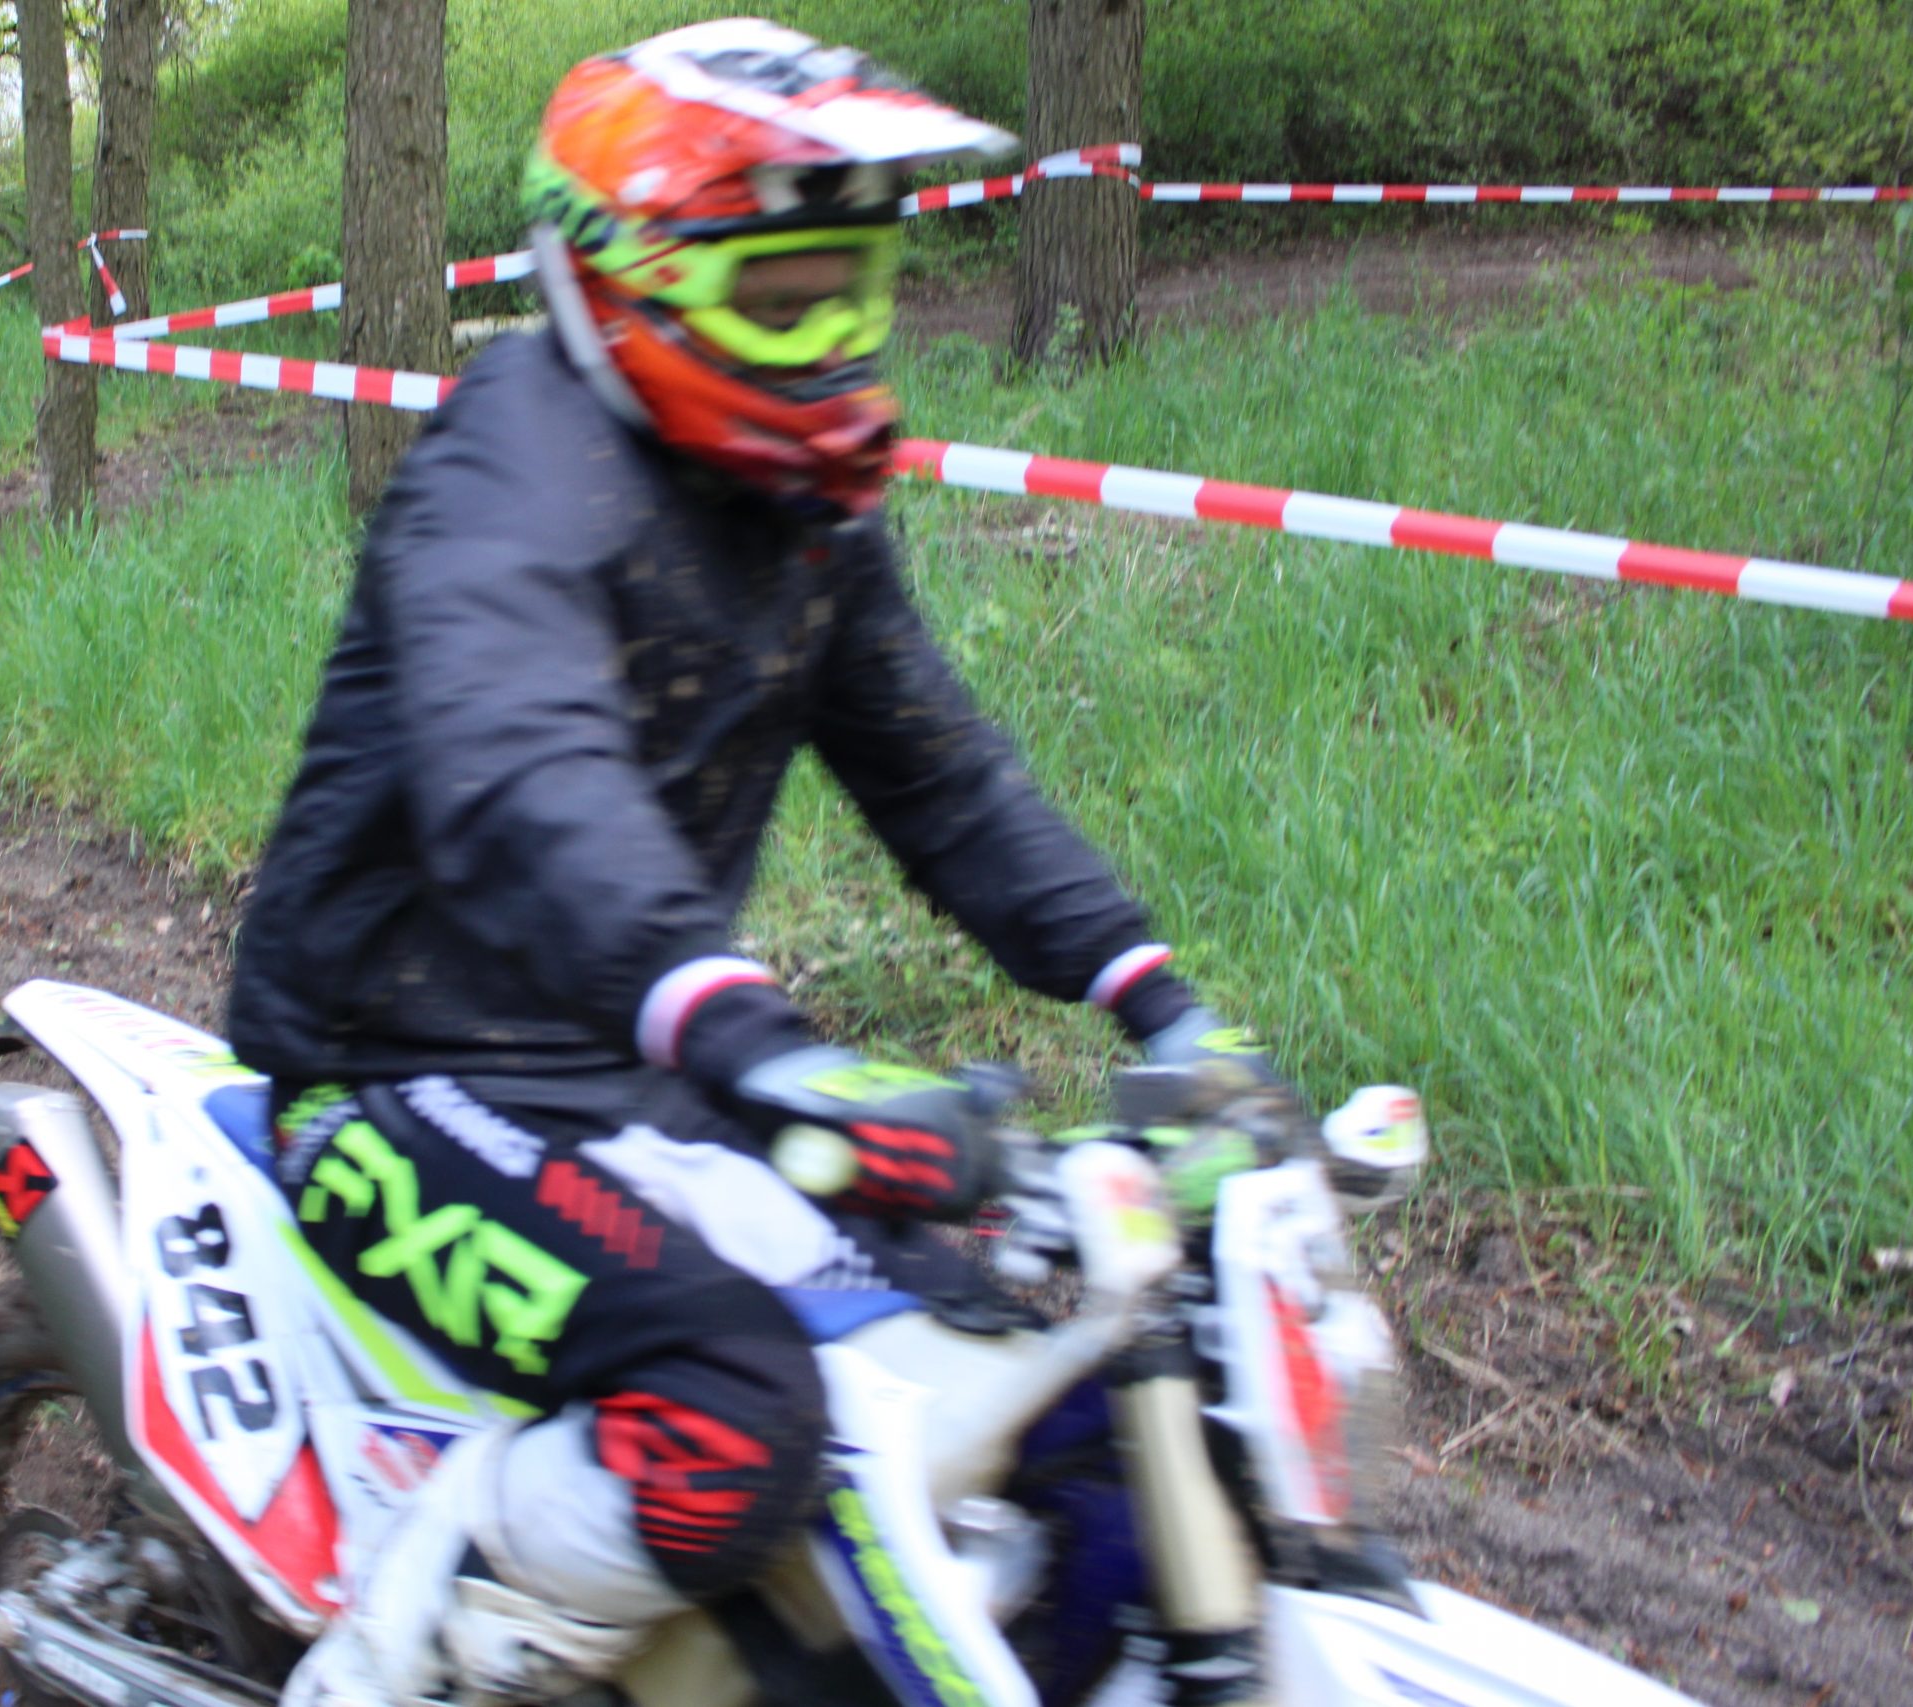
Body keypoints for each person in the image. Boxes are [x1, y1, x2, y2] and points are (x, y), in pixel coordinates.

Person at [232, 20, 1283, 1705]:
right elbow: (530, 780)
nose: (836, 342)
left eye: (857, 293)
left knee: (1023, 1365)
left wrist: (1162, 1006)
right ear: (623, 282)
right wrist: (762, 1046)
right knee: (736, 1422)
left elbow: (944, 777)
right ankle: (403, 1644)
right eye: (786, 300)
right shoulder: (501, 482)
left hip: (641, 1066)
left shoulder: (801, 509)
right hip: (395, 1074)